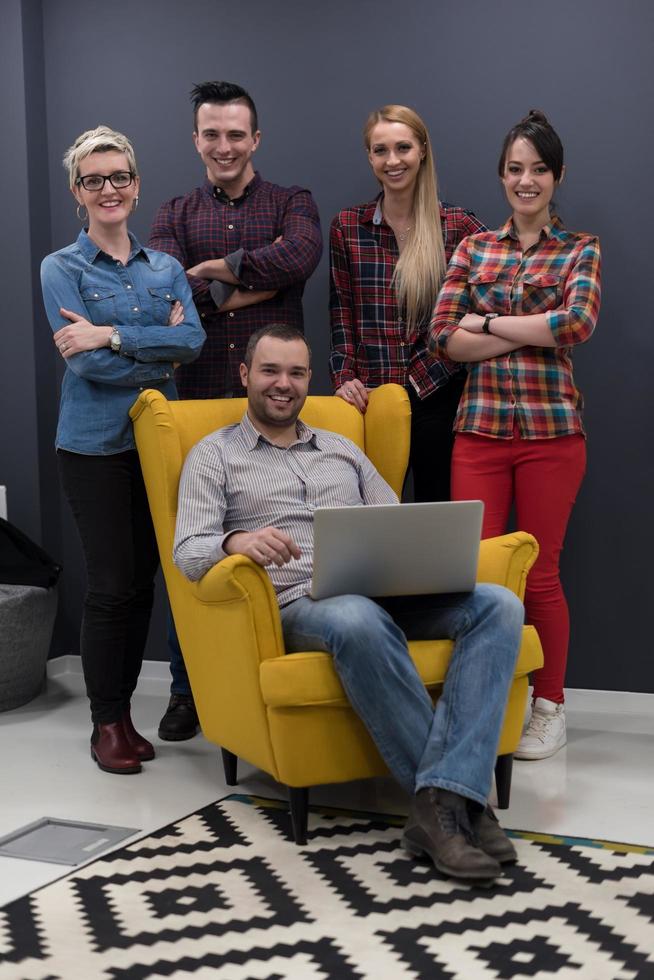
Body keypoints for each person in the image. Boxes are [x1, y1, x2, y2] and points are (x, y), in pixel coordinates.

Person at [173, 324, 525, 883]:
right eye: (270, 371)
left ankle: (444, 803)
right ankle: (459, 809)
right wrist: (237, 542)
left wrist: (419, 557)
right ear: (245, 376)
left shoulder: (343, 448)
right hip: (300, 602)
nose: (282, 385)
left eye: (294, 373)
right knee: (357, 617)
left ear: (308, 380)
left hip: (383, 589)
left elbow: (391, 522)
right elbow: (188, 552)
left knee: (499, 605)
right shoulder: (212, 456)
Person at [149, 81, 323, 740]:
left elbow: (299, 254)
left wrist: (217, 270)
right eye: (211, 134)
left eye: (235, 134)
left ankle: (278, 681)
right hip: (199, 406)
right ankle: (187, 689)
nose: (224, 146)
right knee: (191, 547)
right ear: (197, 140)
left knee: (289, 545)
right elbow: (168, 293)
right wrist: (257, 283)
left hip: (278, 412)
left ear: (256, 139)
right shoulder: (172, 212)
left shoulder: (292, 202)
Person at [430, 110, 601, 761]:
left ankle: (547, 705)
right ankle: (482, 701)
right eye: (515, 169)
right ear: (502, 175)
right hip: (478, 434)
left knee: (540, 576)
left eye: (538, 169)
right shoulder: (475, 248)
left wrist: (491, 320)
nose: (525, 181)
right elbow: (446, 338)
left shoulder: (580, 247)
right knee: (477, 574)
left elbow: (576, 324)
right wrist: (529, 323)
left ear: (556, 177)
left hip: (553, 435)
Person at [41, 126, 205, 775]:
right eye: (93, 180)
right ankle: (107, 722)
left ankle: (126, 714)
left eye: (119, 177)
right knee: (113, 586)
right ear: (78, 193)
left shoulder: (164, 267)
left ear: (135, 186)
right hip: (94, 449)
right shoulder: (62, 267)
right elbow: (89, 372)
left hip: (156, 444)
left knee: (146, 586)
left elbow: (191, 341)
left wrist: (107, 333)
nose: (108, 189)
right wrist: (144, 347)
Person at [329, 104, 485, 502]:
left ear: (422, 151)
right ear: (369, 157)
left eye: (403, 147)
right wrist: (344, 376)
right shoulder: (348, 226)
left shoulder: (459, 227)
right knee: (375, 522)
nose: (392, 160)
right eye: (380, 150)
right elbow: (341, 312)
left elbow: (499, 290)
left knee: (437, 518)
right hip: (372, 400)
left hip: (441, 394)